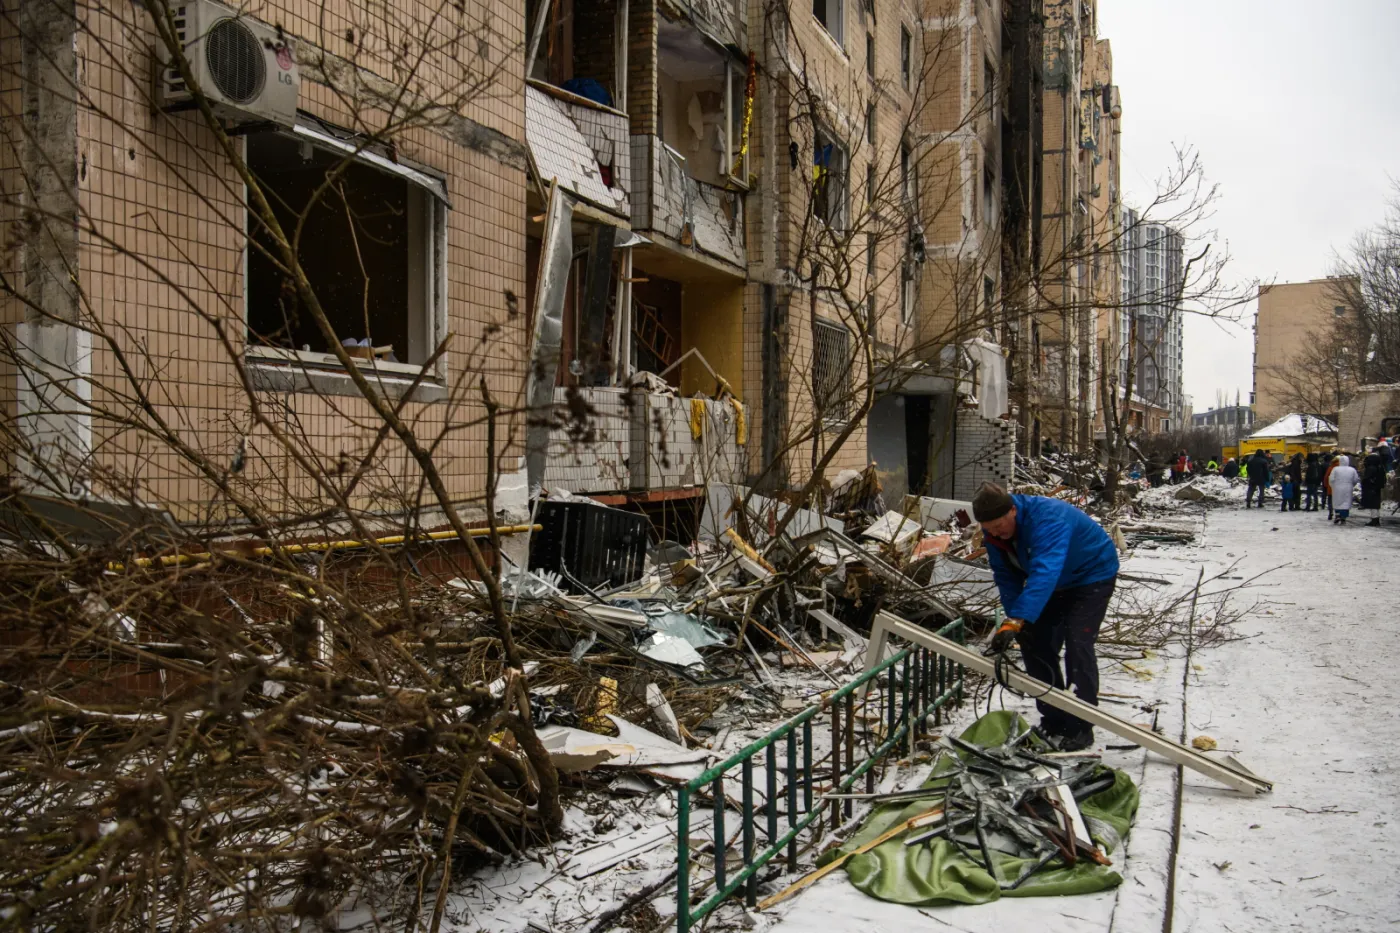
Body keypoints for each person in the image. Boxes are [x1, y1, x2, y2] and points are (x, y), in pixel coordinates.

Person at [976, 483, 1119, 752]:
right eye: (989, 528)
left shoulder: (1048, 518)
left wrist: (1020, 616)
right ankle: (1054, 719)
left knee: (1078, 643)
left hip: (1091, 576)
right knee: (1034, 643)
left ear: (1013, 511)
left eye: (999, 525)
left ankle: (1081, 724)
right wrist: (1013, 622)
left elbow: (1045, 570)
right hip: (1054, 582)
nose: (996, 532)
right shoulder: (994, 534)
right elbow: (1007, 578)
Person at [1329, 455, 1360, 524]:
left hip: (1337, 487)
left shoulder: (1335, 469)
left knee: (1337, 501)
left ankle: (1337, 515)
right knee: (1346, 502)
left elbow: (1331, 479)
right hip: (1348, 487)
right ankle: (1343, 517)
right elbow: (1355, 479)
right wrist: (1352, 485)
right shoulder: (1352, 470)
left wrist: (1333, 486)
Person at [1361, 450, 1386, 526]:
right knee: (1375, 505)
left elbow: (1367, 479)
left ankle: (1374, 520)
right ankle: (1376, 519)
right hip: (1376, 488)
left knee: (1373, 505)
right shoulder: (1380, 468)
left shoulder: (1371, 468)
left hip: (1371, 488)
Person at [1322, 453, 1339, 519]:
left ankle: (1330, 512)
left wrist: (1326, 485)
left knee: (1330, 501)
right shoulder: (1340, 468)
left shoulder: (1331, 468)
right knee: (1337, 502)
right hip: (1339, 489)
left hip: (1331, 488)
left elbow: (1326, 477)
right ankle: (1337, 514)